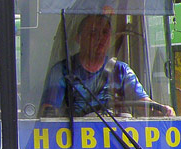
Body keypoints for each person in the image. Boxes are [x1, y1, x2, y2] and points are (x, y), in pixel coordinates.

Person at [39, 14, 174, 117]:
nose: (100, 38)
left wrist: (161, 109)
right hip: (76, 142)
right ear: (79, 39)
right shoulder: (63, 71)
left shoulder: (121, 71)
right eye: (93, 33)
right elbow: (48, 111)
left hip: (115, 143)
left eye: (105, 33)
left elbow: (143, 103)